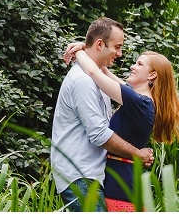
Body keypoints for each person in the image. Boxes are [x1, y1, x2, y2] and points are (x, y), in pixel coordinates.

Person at [64, 42, 179, 212]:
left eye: (139, 64)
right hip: (124, 187)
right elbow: (104, 71)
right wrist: (89, 47)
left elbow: (93, 72)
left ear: (152, 75)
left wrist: (77, 51)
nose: (132, 66)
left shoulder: (140, 102)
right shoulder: (141, 101)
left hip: (120, 191)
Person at [51, 17, 154, 212]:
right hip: (80, 175)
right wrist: (137, 153)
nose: (120, 53)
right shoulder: (83, 80)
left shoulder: (97, 77)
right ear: (100, 44)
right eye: (117, 46)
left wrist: (82, 47)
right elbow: (99, 134)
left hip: (90, 174)